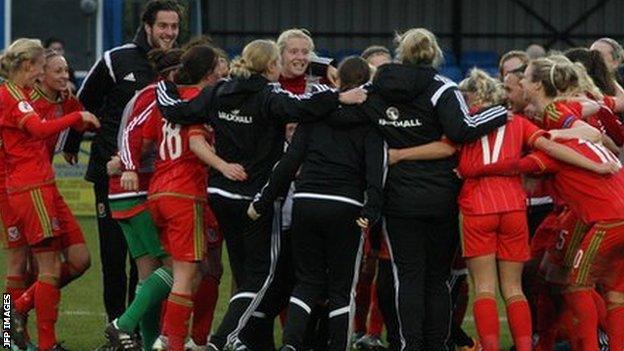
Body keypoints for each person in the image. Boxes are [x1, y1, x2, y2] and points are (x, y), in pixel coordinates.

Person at [155, 39, 367, 350]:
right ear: (271, 67)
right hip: (253, 198)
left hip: (218, 193)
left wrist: (165, 84)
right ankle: (224, 338)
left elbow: (179, 110)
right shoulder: (270, 96)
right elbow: (305, 108)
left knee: (243, 270)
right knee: (261, 277)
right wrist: (341, 97)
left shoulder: (219, 90)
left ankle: (245, 340)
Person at [457, 68, 611, 351]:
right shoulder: (517, 123)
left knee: (485, 288)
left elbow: (444, 150)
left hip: (477, 206)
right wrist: (595, 165)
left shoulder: (462, 123)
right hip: (514, 207)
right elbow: (550, 147)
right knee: (514, 289)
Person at [248, 56, 385, 351]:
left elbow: (289, 162)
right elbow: (377, 170)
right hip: (345, 205)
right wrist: (372, 209)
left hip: (306, 202)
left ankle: (291, 345)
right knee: (340, 289)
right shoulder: (371, 122)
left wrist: (264, 200)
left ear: (338, 81)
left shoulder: (314, 116)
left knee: (306, 282)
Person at [67, 0, 184, 322]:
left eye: (174, 27)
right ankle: (115, 325)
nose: (169, 33)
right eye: (163, 26)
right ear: (147, 26)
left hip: (159, 177)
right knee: (114, 255)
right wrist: (72, 140)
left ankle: (134, 327)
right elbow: (83, 101)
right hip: (111, 172)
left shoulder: (180, 64)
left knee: (147, 259)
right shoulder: (117, 59)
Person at [1, 38, 99, 351]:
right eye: (52, 69)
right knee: (22, 262)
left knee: (77, 260)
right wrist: (76, 118)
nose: (62, 75)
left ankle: (19, 313)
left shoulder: (54, 98)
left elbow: (74, 120)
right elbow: (41, 129)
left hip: (41, 185)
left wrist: (73, 111)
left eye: (65, 70)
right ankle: (9, 334)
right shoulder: (18, 97)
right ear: (34, 69)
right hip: (17, 187)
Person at [99, 48, 184, 351]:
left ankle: (148, 345)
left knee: (148, 275)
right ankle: (122, 324)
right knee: (179, 270)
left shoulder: (152, 94)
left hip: (123, 190)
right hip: (135, 189)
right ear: (174, 72)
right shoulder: (156, 94)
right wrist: (130, 165)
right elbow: (137, 134)